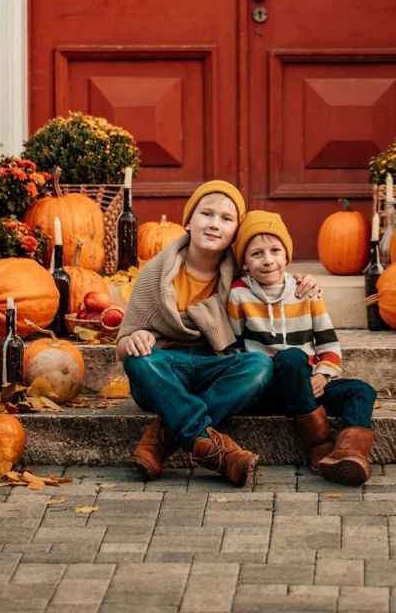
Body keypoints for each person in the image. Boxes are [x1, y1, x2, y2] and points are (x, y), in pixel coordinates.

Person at [116, 181, 322, 487]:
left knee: (259, 365)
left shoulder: (242, 275)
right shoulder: (155, 274)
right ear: (188, 222)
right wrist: (133, 340)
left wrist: (301, 281)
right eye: (206, 214)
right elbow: (122, 345)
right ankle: (217, 451)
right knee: (139, 361)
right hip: (165, 370)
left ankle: (164, 437)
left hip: (215, 368)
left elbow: (277, 277)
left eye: (226, 219)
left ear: (235, 233)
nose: (214, 224)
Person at [227, 209, 377, 487]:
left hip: (307, 386)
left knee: (362, 390)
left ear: (287, 256)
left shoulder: (306, 292)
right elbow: (233, 350)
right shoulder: (238, 294)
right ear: (244, 263)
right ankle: (319, 445)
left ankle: (349, 454)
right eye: (257, 254)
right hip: (267, 391)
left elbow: (329, 345)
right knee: (292, 356)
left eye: (275, 251)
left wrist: (322, 376)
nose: (268, 260)